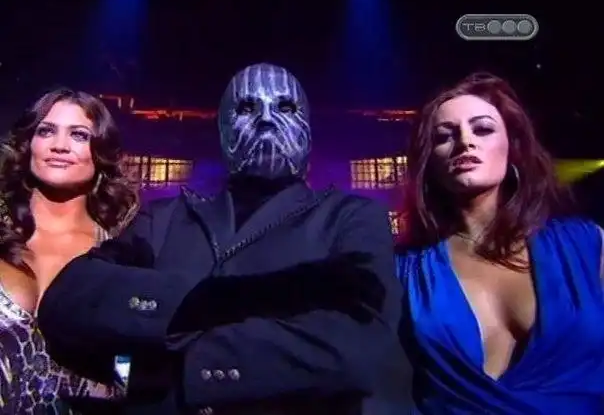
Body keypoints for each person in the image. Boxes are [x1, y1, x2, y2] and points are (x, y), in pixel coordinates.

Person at [36, 63, 402, 415]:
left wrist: (183, 365)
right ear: (224, 128)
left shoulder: (350, 217)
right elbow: (69, 300)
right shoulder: (163, 218)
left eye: (285, 107)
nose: (266, 119)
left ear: (307, 126)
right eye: (247, 108)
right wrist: (221, 301)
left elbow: (360, 344)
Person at [397, 72, 604, 414]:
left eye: (482, 129)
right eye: (444, 136)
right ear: (428, 162)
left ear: (512, 148)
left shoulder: (587, 245)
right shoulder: (405, 270)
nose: (465, 141)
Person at [0, 88, 139, 413]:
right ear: (28, 144)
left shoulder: (121, 251)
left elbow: (130, 364)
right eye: (46, 131)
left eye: (79, 135)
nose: (59, 145)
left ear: (101, 151)